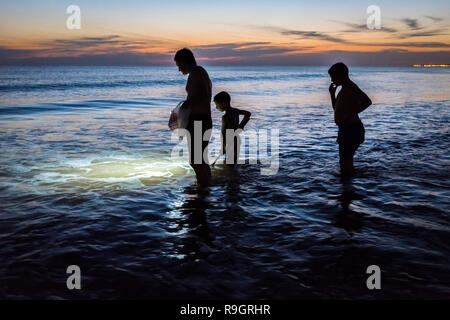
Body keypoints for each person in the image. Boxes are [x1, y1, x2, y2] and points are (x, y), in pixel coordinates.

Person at [174, 48, 213, 185]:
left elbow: (196, 97)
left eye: (179, 65)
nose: (179, 69)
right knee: (201, 159)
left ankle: (203, 188)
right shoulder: (201, 72)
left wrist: (185, 105)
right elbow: (203, 95)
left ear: (185, 61)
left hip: (199, 121)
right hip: (204, 119)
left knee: (196, 160)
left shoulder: (196, 73)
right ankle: (206, 185)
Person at [328, 62, 372, 178]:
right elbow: (336, 109)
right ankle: (349, 188)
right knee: (345, 163)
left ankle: (347, 190)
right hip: (345, 129)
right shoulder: (343, 89)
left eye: (333, 76)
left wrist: (350, 113)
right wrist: (332, 95)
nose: (331, 80)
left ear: (341, 75)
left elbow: (367, 101)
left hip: (351, 130)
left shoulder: (351, 87)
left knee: (345, 162)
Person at [213, 91, 251, 166]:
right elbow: (248, 114)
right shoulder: (235, 111)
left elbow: (223, 133)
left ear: (224, 103)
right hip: (236, 139)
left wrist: (223, 147)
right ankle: (233, 174)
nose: (216, 107)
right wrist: (241, 126)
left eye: (217, 105)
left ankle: (232, 176)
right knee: (233, 161)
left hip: (229, 141)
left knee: (229, 163)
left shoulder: (225, 117)